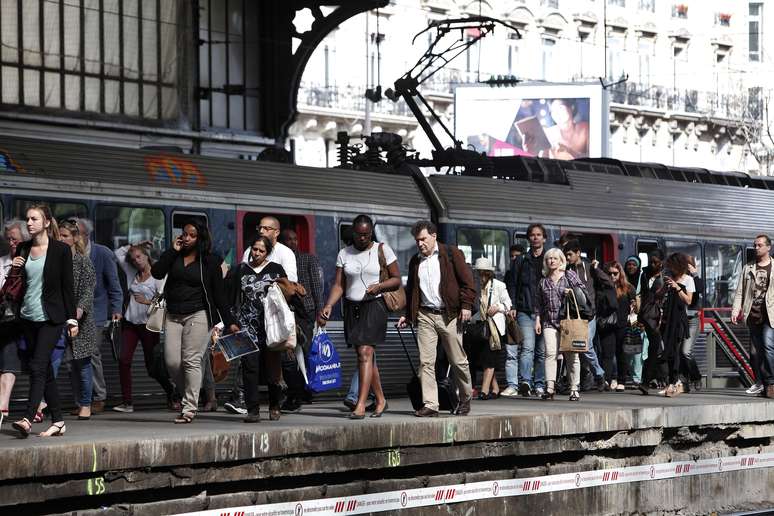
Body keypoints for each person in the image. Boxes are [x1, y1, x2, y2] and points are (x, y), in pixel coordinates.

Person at [151, 220, 230, 423]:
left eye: (191, 235)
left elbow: (219, 295)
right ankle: (191, 391)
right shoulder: (174, 256)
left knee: (191, 360)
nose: (186, 238)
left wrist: (229, 321)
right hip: (173, 315)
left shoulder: (211, 261)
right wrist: (171, 251)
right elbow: (156, 272)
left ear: (200, 238)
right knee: (172, 362)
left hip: (198, 314)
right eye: (184, 234)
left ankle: (189, 408)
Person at [319, 215, 398, 419]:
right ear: (353, 232)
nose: (362, 238)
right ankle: (380, 400)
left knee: (364, 352)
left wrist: (379, 286)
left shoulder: (382, 249)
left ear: (371, 232)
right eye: (358, 234)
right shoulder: (344, 253)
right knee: (365, 357)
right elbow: (339, 285)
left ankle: (360, 404)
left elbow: (397, 280)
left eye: (366, 234)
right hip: (352, 308)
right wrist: (329, 305)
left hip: (375, 306)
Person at [11, 204, 78, 438]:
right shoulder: (23, 247)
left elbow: (67, 288)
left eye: (34, 219)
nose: (29, 223)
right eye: (28, 219)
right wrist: (14, 267)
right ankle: (58, 421)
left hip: (52, 318)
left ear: (47, 223)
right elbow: (15, 285)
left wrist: (72, 319)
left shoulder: (60, 250)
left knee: (38, 366)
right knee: (46, 370)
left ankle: (28, 418)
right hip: (28, 317)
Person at [398, 220, 475, 417]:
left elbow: (468, 282)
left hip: (449, 314)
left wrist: (466, 306)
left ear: (434, 236)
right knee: (425, 362)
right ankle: (431, 404)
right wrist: (408, 315)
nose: (420, 243)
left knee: (458, 361)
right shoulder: (415, 261)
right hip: (425, 315)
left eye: (423, 239)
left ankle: (465, 398)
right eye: (417, 240)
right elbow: (412, 290)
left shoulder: (451, 254)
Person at [226, 236, 287, 422]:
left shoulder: (276, 269)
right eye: (254, 249)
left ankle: (274, 404)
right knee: (249, 367)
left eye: (261, 250)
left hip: (271, 326)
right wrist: (230, 322)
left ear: (267, 252)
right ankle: (253, 410)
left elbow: (287, 295)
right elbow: (230, 298)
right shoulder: (240, 270)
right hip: (246, 325)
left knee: (272, 369)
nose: (257, 253)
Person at [113, 242, 177, 413]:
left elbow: (165, 301)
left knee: (152, 367)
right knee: (124, 360)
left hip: (149, 325)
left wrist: (147, 301)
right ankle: (127, 402)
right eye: (133, 259)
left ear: (147, 256)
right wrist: (135, 245)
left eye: (139, 256)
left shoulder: (158, 276)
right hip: (130, 323)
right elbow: (118, 253)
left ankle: (171, 391)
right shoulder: (131, 273)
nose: (136, 261)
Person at [75, 219, 123, 414]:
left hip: (97, 313)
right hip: (75, 312)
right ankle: (82, 400)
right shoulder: (70, 254)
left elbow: (114, 285)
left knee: (91, 353)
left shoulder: (102, 253)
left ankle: (99, 397)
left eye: (77, 233)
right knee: (76, 358)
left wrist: (116, 310)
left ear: (87, 235)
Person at [534, 248, 590, 401]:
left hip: (568, 322)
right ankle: (550, 388)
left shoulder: (569, 275)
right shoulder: (543, 281)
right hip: (549, 322)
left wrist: (571, 292)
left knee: (572, 356)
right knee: (550, 354)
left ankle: (574, 389)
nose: (551, 261)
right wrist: (537, 320)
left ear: (561, 261)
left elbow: (583, 293)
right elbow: (538, 303)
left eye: (554, 258)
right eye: (548, 259)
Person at [278, 228, 323, 412]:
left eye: (295, 239)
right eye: (289, 239)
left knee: (304, 349)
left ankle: (307, 388)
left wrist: (320, 311)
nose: (293, 242)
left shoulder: (308, 259)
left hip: (306, 311)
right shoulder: (280, 260)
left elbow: (316, 286)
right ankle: (294, 391)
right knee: (288, 352)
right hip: (286, 311)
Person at [57, 220, 97, 420]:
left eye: (65, 236)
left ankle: (85, 404)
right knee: (55, 362)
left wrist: (79, 310)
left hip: (80, 322)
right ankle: (44, 403)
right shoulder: (54, 261)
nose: (61, 239)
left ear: (74, 238)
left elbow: (88, 290)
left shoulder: (83, 262)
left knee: (82, 365)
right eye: (59, 235)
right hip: (57, 318)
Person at [563, 240, 611, 391]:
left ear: (578, 253)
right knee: (575, 347)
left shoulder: (589, 267)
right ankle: (584, 378)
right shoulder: (565, 270)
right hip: (573, 313)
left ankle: (598, 374)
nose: (567, 257)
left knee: (586, 345)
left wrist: (597, 270)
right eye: (566, 254)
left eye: (570, 254)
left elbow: (608, 282)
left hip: (590, 313)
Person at [506, 224, 547, 398]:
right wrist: (513, 306)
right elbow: (513, 284)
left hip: (546, 312)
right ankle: (525, 382)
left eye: (538, 235)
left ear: (544, 238)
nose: (535, 238)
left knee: (542, 351)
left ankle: (539, 383)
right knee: (528, 348)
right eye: (532, 235)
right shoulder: (521, 260)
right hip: (525, 310)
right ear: (528, 238)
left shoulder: (550, 258)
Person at [732, 235, 774, 399]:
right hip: (752, 314)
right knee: (755, 353)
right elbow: (740, 291)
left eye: (760, 245)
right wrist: (736, 310)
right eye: (755, 245)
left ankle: (770, 382)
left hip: (770, 315)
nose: (756, 248)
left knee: (768, 346)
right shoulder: (748, 267)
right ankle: (759, 382)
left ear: (768, 247)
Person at [1, 219, 29, 426]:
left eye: (15, 239)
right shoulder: (1, 262)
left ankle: (4, 406)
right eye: (9, 239)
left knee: (13, 363)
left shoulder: (31, 262)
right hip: (3, 319)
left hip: (21, 321)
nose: (11, 243)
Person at [656, 253, 695, 397]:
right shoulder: (667, 277)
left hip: (679, 320)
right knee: (668, 352)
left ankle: (676, 381)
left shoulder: (689, 280)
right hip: (667, 319)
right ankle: (671, 382)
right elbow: (658, 297)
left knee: (677, 352)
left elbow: (688, 301)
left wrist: (677, 287)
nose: (670, 269)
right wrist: (665, 287)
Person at [473, 257, 511, 400]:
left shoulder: (499, 285)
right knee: (485, 360)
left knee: (490, 359)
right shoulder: (476, 287)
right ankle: (495, 389)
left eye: (483, 273)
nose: (481, 276)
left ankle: (484, 390)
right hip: (481, 328)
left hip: (495, 328)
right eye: (479, 272)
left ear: (489, 273)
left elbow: (508, 304)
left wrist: (498, 307)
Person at [637, 249, 668, 394]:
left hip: (662, 316)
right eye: (651, 262)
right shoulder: (645, 274)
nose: (653, 264)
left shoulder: (665, 277)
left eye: (656, 262)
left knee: (661, 349)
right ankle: (648, 381)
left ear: (662, 262)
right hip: (649, 316)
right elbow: (643, 295)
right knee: (654, 348)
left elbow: (662, 297)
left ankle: (661, 378)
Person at [602, 261, 635, 392]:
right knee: (607, 353)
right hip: (607, 324)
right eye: (609, 273)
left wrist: (633, 321)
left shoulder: (628, 288)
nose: (612, 276)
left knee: (621, 353)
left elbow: (634, 307)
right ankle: (607, 380)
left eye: (615, 273)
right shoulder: (604, 287)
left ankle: (621, 380)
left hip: (622, 324)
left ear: (620, 273)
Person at [241, 216, 298, 282]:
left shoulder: (286, 252)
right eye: (259, 228)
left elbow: (290, 280)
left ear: (276, 232)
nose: (261, 231)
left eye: (266, 228)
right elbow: (242, 274)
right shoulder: (249, 250)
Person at [623, 255, 647, 385]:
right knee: (627, 348)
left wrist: (642, 319)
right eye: (629, 264)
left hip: (637, 318)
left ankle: (637, 378)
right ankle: (631, 375)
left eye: (634, 265)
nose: (631, 267)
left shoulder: (642, 280)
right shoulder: (623, 280)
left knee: (637, 349)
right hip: (624, 318)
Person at [681, 256, 703, 392]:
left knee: (686, 351)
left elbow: (700, 289)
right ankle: (684, 382)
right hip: (679, 319)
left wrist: (695, 273)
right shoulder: (678, 278)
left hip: (692, 320)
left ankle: (696, 377)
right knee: (679, 352)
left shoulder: (694, 279)